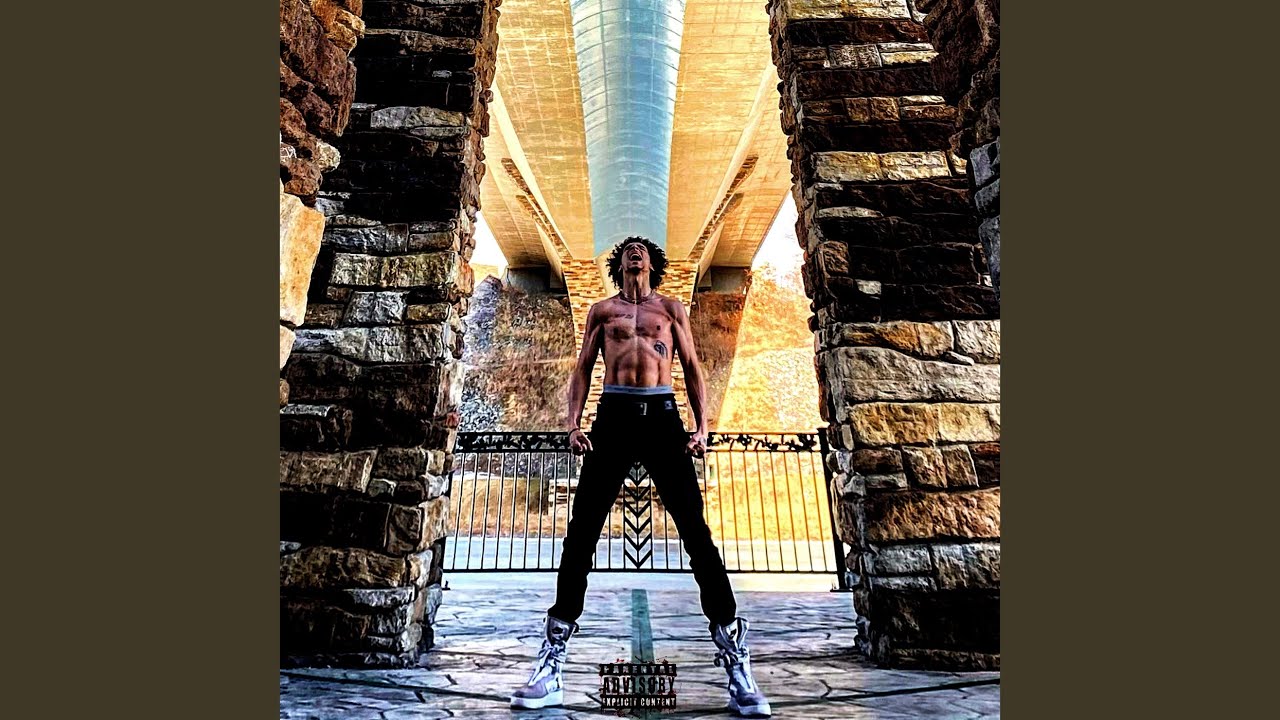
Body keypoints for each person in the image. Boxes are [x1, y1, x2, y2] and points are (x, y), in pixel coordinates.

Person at [509, 237, 771, 717]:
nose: (634, 252)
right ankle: (551, 663)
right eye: (627, 248)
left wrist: (703, 426)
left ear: (652, 262)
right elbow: (582, 369)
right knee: (581, 533)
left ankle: (737, 664)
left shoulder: (669, 309)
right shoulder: (602, 311)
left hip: (663, 418)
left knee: (696, 534)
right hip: (613, 418)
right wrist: (572, 424)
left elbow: (691, 366)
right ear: (620, 263)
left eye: (641, 249)